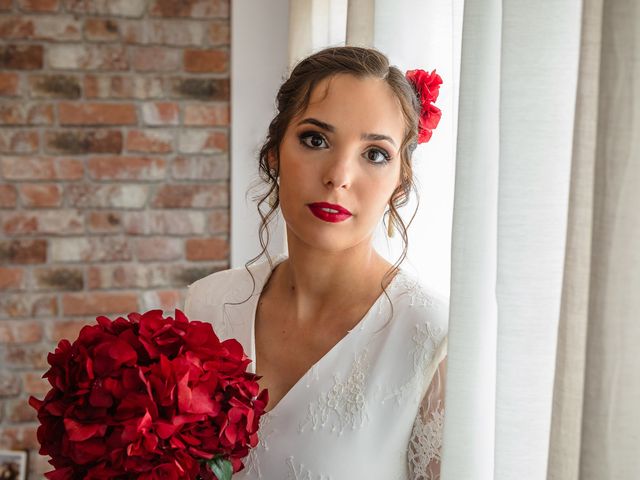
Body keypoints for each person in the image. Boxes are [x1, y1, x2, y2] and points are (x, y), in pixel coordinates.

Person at [184, 46, 449, 479]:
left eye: (375, 154)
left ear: (401, 181)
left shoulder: (431, 337)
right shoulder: (207, 305)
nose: (339, 175)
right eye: (315, 140)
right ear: (274, 153)